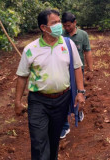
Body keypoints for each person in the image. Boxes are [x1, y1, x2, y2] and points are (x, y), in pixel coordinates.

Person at [14, 9, 86, 160]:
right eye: (54, 23)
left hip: (62, 100)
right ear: (43, 28)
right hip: (38, 101)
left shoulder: (68, 44)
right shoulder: (31, 49)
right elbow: (22, 76)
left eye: (59, 21)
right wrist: (17, 102)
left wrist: (80, 92)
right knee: (39, 141)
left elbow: (77, 67)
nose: (59, 25)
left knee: (54, 140)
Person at [60, 11, 93, 139]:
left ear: (75, 23)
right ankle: (65, 123)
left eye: (69, 25)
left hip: (78, 70)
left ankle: (78, 111)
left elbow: (87, 52)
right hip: (63, 70)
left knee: (79, 92)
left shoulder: (83, 35)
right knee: (64, 95)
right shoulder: (61, 36)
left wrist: (90, 69)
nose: (67, 28)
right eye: (65, 26)